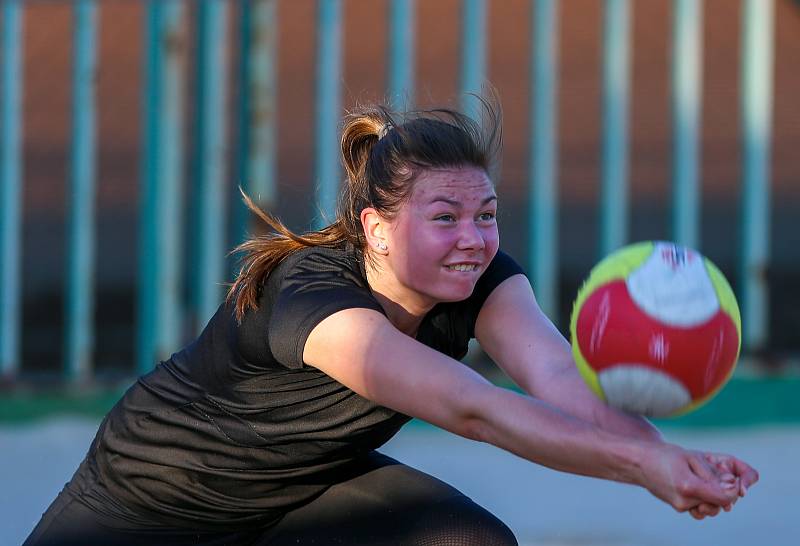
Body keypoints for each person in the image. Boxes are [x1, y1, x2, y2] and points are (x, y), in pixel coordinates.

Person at [26, 97, 757, 546]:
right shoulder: (312, 302)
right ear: (376, 228)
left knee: (466, 541)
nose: (474, 238)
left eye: (487, 214)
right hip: (149, 503)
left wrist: (673, 459)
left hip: (297, 498)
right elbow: (477, 411)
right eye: (445, 218)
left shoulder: (482, 277)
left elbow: (559, 377)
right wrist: (648, 469)